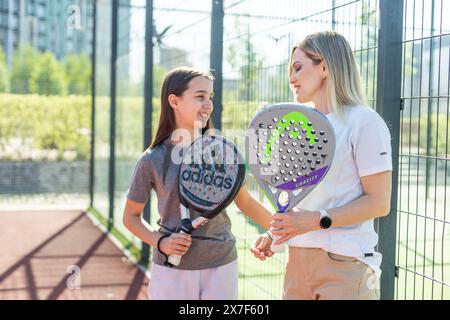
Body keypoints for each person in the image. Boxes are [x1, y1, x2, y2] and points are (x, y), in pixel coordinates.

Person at [251, 30, 393, 300]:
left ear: (325, 67)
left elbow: (379, 203)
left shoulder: (364, 122)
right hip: (297, 263)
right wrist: (275, 234)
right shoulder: (301, 127)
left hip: (347, 265)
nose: (291, 78)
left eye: (298, 67)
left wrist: (316, 221)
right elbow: (301, 201)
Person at [123, 66, 272, 300]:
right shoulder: (152, 159)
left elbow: (244, 201)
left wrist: (279, 231)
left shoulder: (221, 152)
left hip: (221, 263)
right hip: (171, 269)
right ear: (174, 101)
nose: (208, 104)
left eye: (210, 97)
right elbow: (130, 217)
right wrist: (161, 243)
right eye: (200, 96)